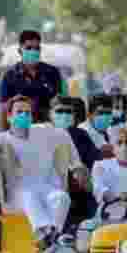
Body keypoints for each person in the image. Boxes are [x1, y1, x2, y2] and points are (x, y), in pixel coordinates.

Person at [0, 95, 85, 248]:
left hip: (45, 188)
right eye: (19, 112)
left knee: (62, 198)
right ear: (9, 117)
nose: (24, 115)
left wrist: (77, 165)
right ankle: (43, 235)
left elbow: (64, 136)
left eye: (27, 112)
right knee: (30, 196)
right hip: (16, 193)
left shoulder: (43, 132)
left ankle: (52, 236)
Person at [0, 30, 65, 130]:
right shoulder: (9, 77)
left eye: (36, 48)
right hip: (20, 128)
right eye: (29, 48)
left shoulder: (52, 72)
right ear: (20, 51)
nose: (33, 51)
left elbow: (59, 101)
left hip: (47, 127)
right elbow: (3, 109)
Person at [51, 97, 102, 226]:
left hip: (81, 195)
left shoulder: (81, 135)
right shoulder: (42, 135)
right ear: (50, 113)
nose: (64, 115)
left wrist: (84, 176)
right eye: (60, 111)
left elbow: (94, 164)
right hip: (53, 193)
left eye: (68, 111)